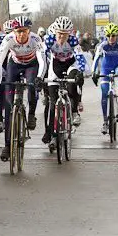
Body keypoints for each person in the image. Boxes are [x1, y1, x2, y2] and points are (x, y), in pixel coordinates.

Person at [0, 15, 45, 162]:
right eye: (18, 31)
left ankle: (31, 115)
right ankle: (7, 146)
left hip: (31, 64)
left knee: (31, 86)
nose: (21, 34)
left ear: (29, 31)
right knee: (9, 107)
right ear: (14, 31)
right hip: (14, 64)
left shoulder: (36, 39)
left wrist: (40, 77)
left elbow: (42, 60)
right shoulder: (8, 39)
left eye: (24, 31)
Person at [42, 16, 86, 148]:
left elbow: (80, 57)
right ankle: (52, 135)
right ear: (55, 32)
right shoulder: (49, 40)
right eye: (59, 34)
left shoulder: (73, 41)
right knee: (52, 103)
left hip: (70, 64)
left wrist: (81, 71)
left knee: (73, 82)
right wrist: (40, 75)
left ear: (69, 33)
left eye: (65, 34)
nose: (61, 37)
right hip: (55, 66)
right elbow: (42, 56)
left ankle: (73, 111)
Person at [91, 23, 118, 134]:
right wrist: (93, 72)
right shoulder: (102, 45)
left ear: (117, 35)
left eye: (113, 35)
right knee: (104, 93)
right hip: (106, 69)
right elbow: (96, 59)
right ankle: (105, 122)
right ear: (106, 36)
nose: (111, 38)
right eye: (109, 35)